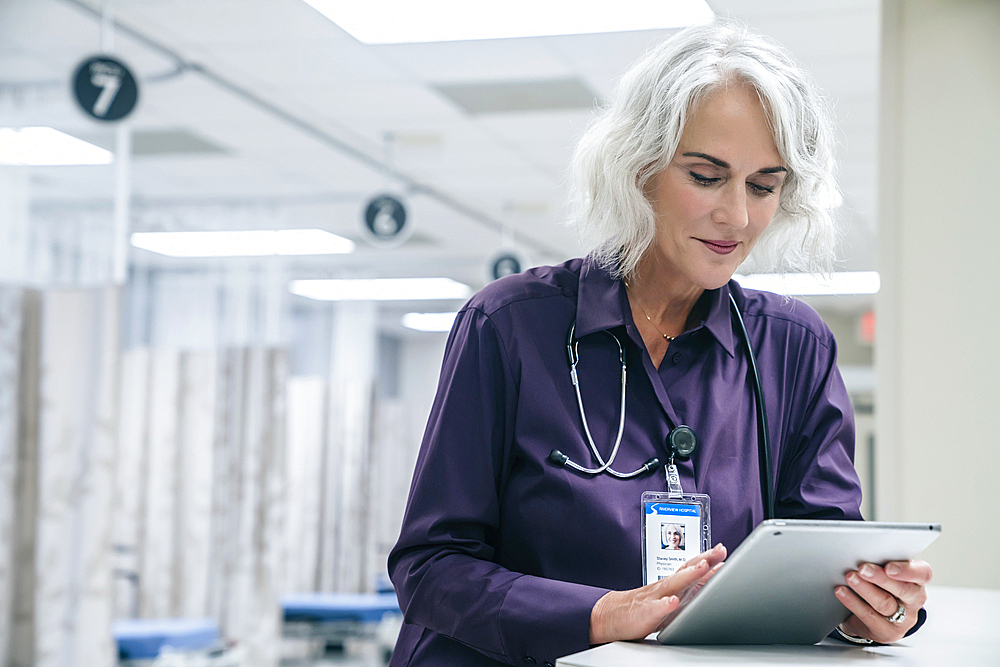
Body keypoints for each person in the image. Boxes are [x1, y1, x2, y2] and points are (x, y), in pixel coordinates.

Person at [388, 19, 932, 666]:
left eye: (763, 185)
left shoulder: (793, 349)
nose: (737, 215)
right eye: (706, 176)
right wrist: (591, 615)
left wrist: (874, 608)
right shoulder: (507, 328)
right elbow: (430, 566)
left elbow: (823, 557)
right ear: (639, 166)